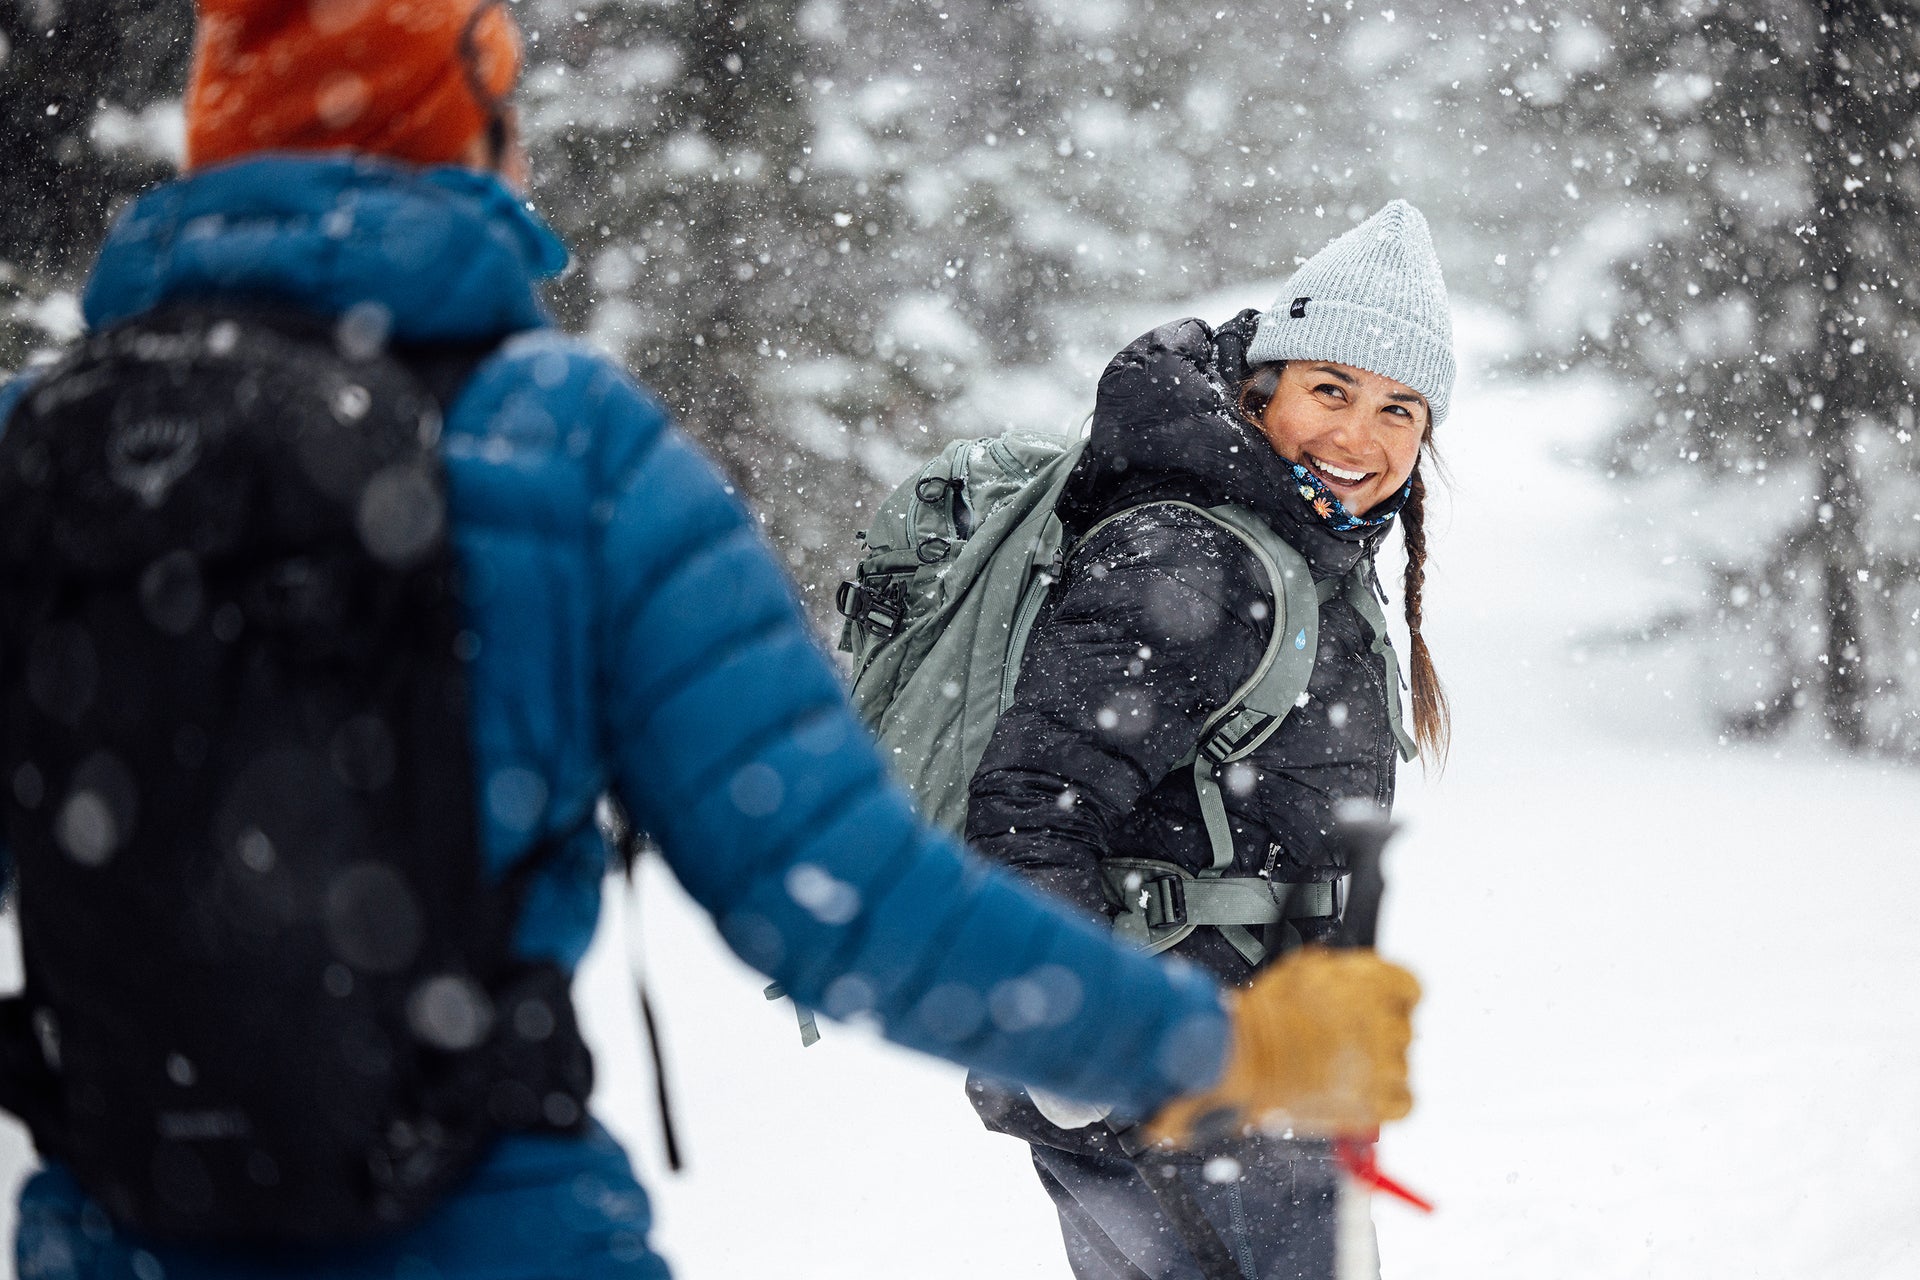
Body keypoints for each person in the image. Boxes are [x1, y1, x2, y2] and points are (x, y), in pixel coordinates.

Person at [0, 3, 1419, 1277]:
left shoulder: (36, 453)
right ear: (475, 136)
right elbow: (841, 888)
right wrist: (1214, 1045)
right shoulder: (564, 450)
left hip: (112, 1221)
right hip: (484, 1223)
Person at [964, 200, 1453, 1279]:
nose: (1358, 437)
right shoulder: (1187, 559)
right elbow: (1027, 804)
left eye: (1398, 408)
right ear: (1262, 386)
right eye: (1331, 389)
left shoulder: (1302, 549)